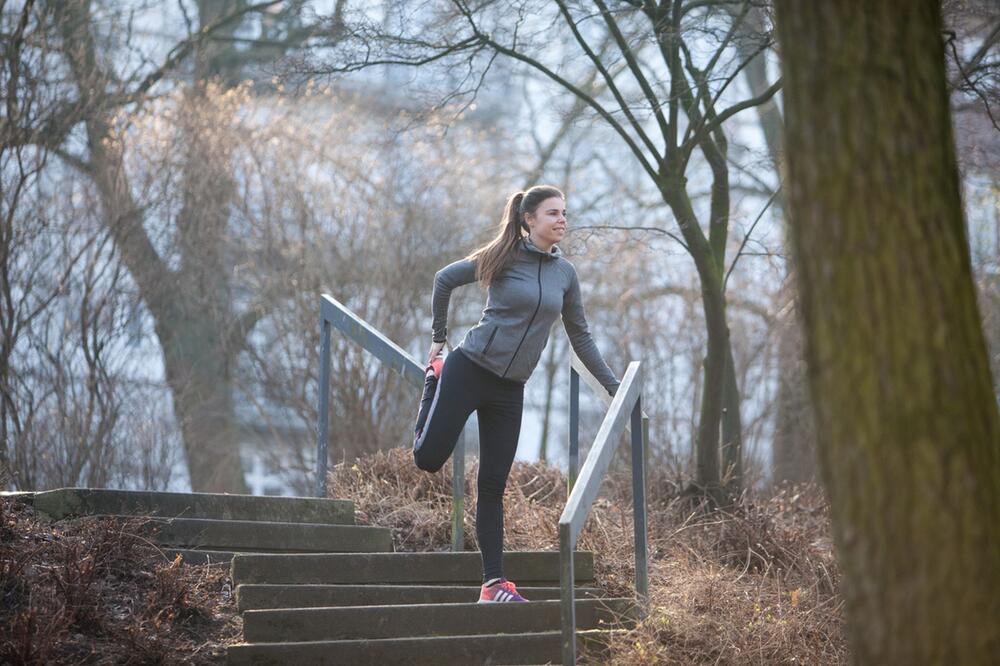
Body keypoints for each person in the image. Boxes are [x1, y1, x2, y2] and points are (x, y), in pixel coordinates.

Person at [411, 185, 621, 604]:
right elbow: (444, 280)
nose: (562, 219)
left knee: (492, 484)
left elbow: (581, 336)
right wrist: (439, 338)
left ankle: (493, 585)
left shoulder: (565, 274)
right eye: (553, 213)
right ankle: (433, 380)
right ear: (529, 219)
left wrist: (615, 390)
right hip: (468, 369)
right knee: (428, 459)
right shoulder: (503, 256)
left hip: (511, 389)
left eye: (564, 213)